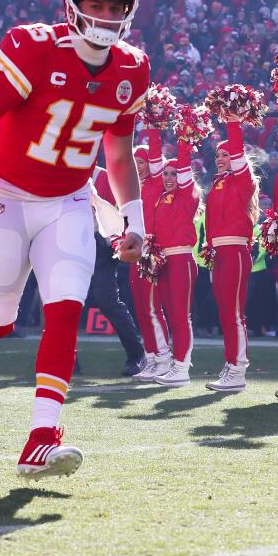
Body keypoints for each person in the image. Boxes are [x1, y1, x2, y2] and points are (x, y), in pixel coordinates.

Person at [0, 0, 148, 479]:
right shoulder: (34, 49)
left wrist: (135, 221)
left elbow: (119, 154)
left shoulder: (132, 67)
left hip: (70, 200)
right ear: (71, 0)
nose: (105, 16)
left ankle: (43, 436)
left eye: (115, 6)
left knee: (65, 308)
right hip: (7, 195)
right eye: (94, 3)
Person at [202, 114, 260, 393]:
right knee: (225, 312)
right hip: (220, 253)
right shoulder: (218, 183)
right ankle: (231, 366)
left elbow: (237, 150)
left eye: (226, 154)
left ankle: (237, 369)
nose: (221, 158)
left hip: (236, 250)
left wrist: (233, 121)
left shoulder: (242, 180)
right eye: (218, 154)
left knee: (234, 312)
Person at [149, 137, 202, 387]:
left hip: (181, 259)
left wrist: (184, 136)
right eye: (166, 173)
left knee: (181, 316)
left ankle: (182, 367)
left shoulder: (187, 195)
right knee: (171, 314)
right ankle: (175, 364)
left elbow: (183, 167)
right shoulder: (161, 198)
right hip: (163, 261)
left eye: (174, 173)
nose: (169, 177)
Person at [90, 164, 147, 376]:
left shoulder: (104, 177)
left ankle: (136, 354)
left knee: (106, 300)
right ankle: (65, 357)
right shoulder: (65, 174)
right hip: (71, 244)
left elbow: (121, 213)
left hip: (102, 245)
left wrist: (117, 241)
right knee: (64, 299)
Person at [131, 128, 173, 381]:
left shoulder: (156, 181)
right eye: (134, 163)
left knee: (152, 307)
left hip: (152, 251)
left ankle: (163, 358)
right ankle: (150, 358)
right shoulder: (133, 187)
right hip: (135, 251)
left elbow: (157, 155)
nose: (137, 167)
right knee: (141, 308)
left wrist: (155, 125)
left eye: (141, 162)